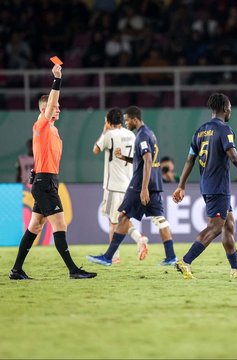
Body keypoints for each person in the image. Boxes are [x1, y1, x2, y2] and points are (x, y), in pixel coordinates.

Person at [9, 64, 97, 280]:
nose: (58, 108)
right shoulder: (41, 124)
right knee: (60, 224)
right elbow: (52, 103)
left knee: (35, 226)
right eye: (54, 106)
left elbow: (44, 158)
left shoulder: (54, 131)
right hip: (45, 183)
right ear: (44, 109)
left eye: (58, 107)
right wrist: (57, 79)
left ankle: (16, 270)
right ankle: (73, 270)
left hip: (47, 181)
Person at [172, 93, 237, 280]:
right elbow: (234, 157)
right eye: (230, 107)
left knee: (228, 225)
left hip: (208, 185)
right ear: (226, 108)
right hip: (218, 186)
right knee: (215, 227)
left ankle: (236, 269)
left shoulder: (199, 131)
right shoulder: (224, 130)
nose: (231, 111)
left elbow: (189, 161)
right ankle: (185, 261)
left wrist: (181, 186)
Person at [87, 106, 177, 266]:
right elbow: (142, 159)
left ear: (135, 119)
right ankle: (171, 257)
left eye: (128, 119)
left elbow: (148, 160)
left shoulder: (141, 135)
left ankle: (108, 257)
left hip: (140, 184)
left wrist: (143, 188)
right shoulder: (149, 133)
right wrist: (124, 157)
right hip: (154, 182)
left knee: (122, 217)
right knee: (160, 220)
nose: (126, 122)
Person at [93, 107, 149, 264]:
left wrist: (104, 131)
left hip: (113, 186)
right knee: (122, 219)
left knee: (113, 222)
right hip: (128, 184)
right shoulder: (131, 134)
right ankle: (139, 239)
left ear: (109, 122)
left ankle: (114, 257)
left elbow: (96, 149)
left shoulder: (109, 135)